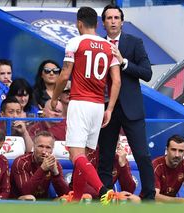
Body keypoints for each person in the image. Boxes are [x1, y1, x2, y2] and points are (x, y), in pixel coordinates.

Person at [50, 6, 121, 203]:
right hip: (98, 106)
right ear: (97, 24)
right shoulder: (109, 46)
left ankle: (103, 190)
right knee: (85, 157)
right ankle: (77, 198)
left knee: (76, 156)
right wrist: (110, 108)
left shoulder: (75, 42)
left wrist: (54, 98)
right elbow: (116, 81)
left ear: (78, 24)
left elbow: (64, 75)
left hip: (80, 102)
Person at [97, 4, 155, 201]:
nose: (113, 21)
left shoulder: (135, 42)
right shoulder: (97, 44)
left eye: (116, 17)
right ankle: (104, 197)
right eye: (109, 18)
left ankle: (148, 197)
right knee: (105, 157)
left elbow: (147, 73)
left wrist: (124, 62)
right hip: (106, 108)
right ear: (103, 23)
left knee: (142, 155)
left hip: (132, 108)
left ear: (122, 21)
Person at [10, 131, 69, 200]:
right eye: (40, 146)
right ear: (34, 146)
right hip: (17, 202)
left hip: (43, 201)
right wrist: (42, 169)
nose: (44, 151)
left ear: (52, 150)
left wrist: (56, 174)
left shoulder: (54, 163)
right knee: (29, 198)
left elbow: (65, 194)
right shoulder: (21, 162)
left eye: (48, 147)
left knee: (63, 199)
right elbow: (25, 192)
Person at [71, 141, 136, 199]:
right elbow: (82, 187)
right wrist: (107, 194)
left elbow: (129, 191)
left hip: (107, 197)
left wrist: (123, 166)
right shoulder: (88, 155)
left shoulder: (118, 158)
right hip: (85, 197)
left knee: (135, 200)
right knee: (88, 197)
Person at [153, 135, 184, 203]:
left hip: (171, 205)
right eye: (173, 150)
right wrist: (181, 201)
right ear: (167, 150)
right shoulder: (156, 165)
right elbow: (154, 196)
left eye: (180, 151)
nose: (177, 155)